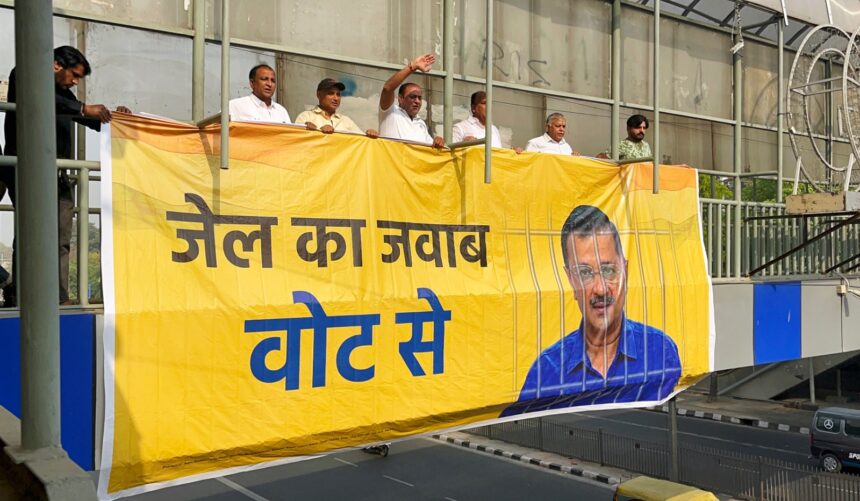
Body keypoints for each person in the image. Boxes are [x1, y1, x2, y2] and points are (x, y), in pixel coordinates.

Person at [501, 205, 681, 416]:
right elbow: (520, 431)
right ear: (570, 280)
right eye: (585, 273)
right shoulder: (546, 371)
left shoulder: (660, 352)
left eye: (608, 270)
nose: (600, 288)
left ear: (625, 271)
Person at [2, 45, 130, 306]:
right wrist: (83, 108)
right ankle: (24, 294)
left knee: (61, 237)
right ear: (56, 64)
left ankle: (58, 296)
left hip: (58, 174)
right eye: (74, 74)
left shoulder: (64, 95)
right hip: (28, 171)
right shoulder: (24, 76)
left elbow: (86, 116)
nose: (75, 81)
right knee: (31, 234)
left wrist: (115, 119)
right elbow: (54, 102)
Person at [378, 53, 445, 148]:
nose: (417, 101)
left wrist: (438, 141)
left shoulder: (421, 124)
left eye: (420, 98)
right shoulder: (390, 113)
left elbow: (430, 150)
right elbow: (387, 88)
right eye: (412, 97)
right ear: (400, 99)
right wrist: (413, 66)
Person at [295, 78, 378, 137]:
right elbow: (297, 140)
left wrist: (369, 135)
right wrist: (316, 133)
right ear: (319, 94)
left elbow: (360, 141)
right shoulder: (306, 117)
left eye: (338, 94)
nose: (336, 98)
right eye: (331, 93)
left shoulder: (346, 121)